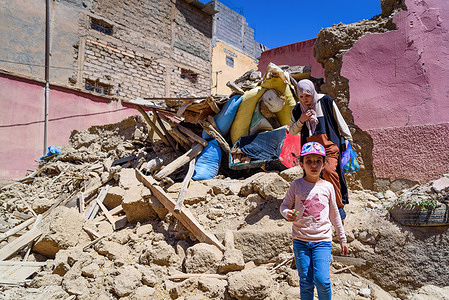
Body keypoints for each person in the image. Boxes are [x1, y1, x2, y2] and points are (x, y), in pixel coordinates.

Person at [280, 141, 349, 300]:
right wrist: (287, 213)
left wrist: (342, 239)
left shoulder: (328, 187)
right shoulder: (296, 185)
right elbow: (284, 206)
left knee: (322, 280)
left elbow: (334, 215)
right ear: (301, 164)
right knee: (306, 282)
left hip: (322, 241)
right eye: (309, 160)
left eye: (318, 160)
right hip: (300, 241)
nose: (313, 164)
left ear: (324, 164)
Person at [289, 79, 352, 220]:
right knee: (313, 176)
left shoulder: (325, 101)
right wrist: (302, 120)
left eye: (308, 95)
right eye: (301, 97)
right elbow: (292, 131)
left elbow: (339, 119)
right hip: (311, 151)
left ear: (312, 92)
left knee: (329, 171)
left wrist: (347, 138)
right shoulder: (298, 109)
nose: (305, 99)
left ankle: (338, 206)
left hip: (329, 146)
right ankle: (319, 205)